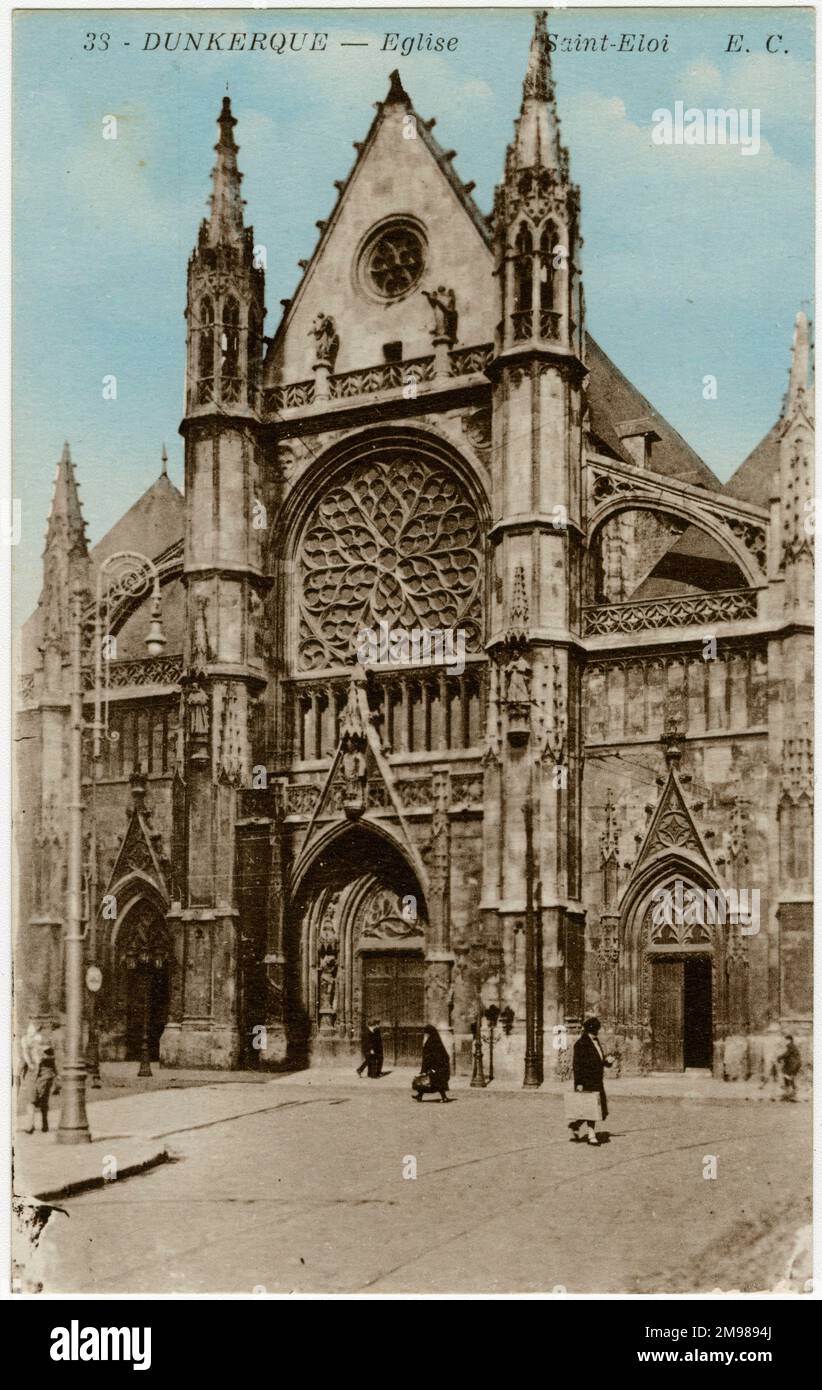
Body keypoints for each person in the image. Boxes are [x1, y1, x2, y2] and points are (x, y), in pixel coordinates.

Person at [569, 1016, 613, 1145]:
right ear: (592, 1029)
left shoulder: (596, 1041)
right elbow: (577, 1066)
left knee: (596, 1108)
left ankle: (575, 1125)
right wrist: (579, 1083)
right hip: (587, 1080)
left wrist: (607, 1062)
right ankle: (591, 1136)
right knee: (592, 1108)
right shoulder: (581, 1044)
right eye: (597, 1029)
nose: (598, 1031)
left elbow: (598, 1059)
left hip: (597, 1079)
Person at [18, 1021, 45, 1134]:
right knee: (30, 1098)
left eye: (33, 1028)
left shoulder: (39, 1039)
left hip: (40, 1071)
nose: (31, 1030)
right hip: (31, 1071)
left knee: (39, 1098)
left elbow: (41, 1054)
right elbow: (24, 1054)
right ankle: (30, 1124)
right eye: (30, 1027)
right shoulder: (25, 1040)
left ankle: (43, 1124)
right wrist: (29, 1064)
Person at [414, 1024, 452, 1102]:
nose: (426, 1034)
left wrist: (431, 1067)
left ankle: (444, 1097)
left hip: (434, 1066)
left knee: (434, 1081)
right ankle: (419, 1095)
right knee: (427, 1081)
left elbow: (433, 1055)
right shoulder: (434, 1040)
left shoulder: (432, 1041)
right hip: (433, 1065)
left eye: (426, 1033)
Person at [778, 1034, 802, 1101]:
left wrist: (779, 1057)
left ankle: (790, 1093)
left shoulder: (790, 1045)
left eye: (785, 1040)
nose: (784, 1041)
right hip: (796, 1064)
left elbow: (787, 1054)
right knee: (789, 1077)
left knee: (786, 1075)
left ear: (789, 1040)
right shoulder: (792, 1046)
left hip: (793, 1064)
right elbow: (788, 1054)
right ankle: (791, 1094)